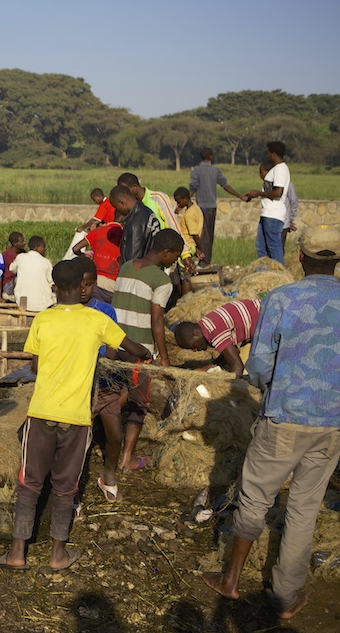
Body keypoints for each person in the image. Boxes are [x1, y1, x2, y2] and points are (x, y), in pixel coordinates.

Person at [202, 224, 340, 620]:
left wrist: (271, 382)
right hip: (332, 424)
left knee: (255, 497)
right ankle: (284, 597)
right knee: (304, 508)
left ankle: (230, 581)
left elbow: (259, 368)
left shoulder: (281, 299)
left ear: (300, 257)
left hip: (284, 418)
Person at [0, 260, 150, 571]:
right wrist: (144, 355)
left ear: (54, 287)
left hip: (41, 413)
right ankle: (57, 555)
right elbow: (132, 348)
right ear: (83, 286)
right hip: (77, 419)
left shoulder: (43, 320)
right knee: (66, 486)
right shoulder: (97, 320)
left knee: (30, 483)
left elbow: (36, 368)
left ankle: (16, 553)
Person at [112, 229, 184, 471]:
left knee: (112, 392)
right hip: (138, 348)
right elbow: (157, 322)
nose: (174, 262)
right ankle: (127, 459)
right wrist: (163, 357)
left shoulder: (127, 266)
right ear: (165, 253)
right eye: (174, 257)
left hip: (114, 343)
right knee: (137, 403)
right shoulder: (162, 280)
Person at [77, 256, 138, 503]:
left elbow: (112, 347)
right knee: (80, 440)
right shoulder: (69, 313)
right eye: (79, 285)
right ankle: (72, 489)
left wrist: (114, 372)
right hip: (81, 388)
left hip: (106, 385)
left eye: (88, 285)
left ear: (95, 283)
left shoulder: (105, 310)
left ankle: (108, 474)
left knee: (114, 435)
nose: (83, 290)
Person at [173, 298, 260, 377]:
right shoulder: (207, 324)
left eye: (193, 346)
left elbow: (237, 365)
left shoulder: (213, 332)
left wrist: (231, 389)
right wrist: (205, 369)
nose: (195, 350)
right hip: (261, 315)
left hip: (267, 320)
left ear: (196, 334)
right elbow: (231, 353)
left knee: (252, 371)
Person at [189, 148, 248, 264]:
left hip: (201, 207)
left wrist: (183, 203)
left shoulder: (196, 170)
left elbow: (193, 188)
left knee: (203, 235)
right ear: (210, 156)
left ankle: (204, 260)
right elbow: (225, 186)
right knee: (209, 235)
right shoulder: (216, 170)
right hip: (211, 207)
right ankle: (206, 260)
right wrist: (240, 196)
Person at [245, 142, 290, 264]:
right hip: (267, 213)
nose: (267, 154)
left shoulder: (280, 169)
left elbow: (278, 192)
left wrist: (258, 193)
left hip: (273, 215)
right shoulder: (275, 169)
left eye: (268, 152)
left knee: (274, 248)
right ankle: (264, 274)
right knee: (261, 247)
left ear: (273, 154)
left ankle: (279, 274)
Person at [72, 221, 123, 303]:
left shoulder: (97, 231)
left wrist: (86, 257)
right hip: (114, 284)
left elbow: (76, 249)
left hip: (96, 280)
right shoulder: (125, 234)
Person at [108, 185, 160, 265]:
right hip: (152, 267)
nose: (116, 210)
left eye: (116, 207)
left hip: (140, 273)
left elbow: (133, 259)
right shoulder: (147, 211)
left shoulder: (135, 223)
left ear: (121, 203)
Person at [9, 236, 55, 311]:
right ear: (37, 247)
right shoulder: (45, 262)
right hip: (42, 305)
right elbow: (52, 281)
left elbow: (12, 269)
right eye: (43, 246)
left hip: (23, 302)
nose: (45, 249)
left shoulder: (20, 257)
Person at [172, 187, 203, 295]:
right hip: (190, 246)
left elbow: (194, 234)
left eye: (178, 201)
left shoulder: (189, 215)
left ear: (185, 199)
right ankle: (180, 296)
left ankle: (185, 299)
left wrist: (200, 248)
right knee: (178, 273)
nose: (177, 204)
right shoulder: (195, 208)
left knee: (185, 275)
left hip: (187, 246)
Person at [1, 231, 27, 298]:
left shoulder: (22, 252)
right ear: (14, 244)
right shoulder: (10, 255)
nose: (24, 243)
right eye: (21, 242)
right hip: (9, 284)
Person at [281, 165, 299, 249]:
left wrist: (290, 219)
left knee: (280, 248)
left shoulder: (288, 185)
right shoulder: (269, 184)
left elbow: (293, 202)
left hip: (283, 223)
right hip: (274, 222)